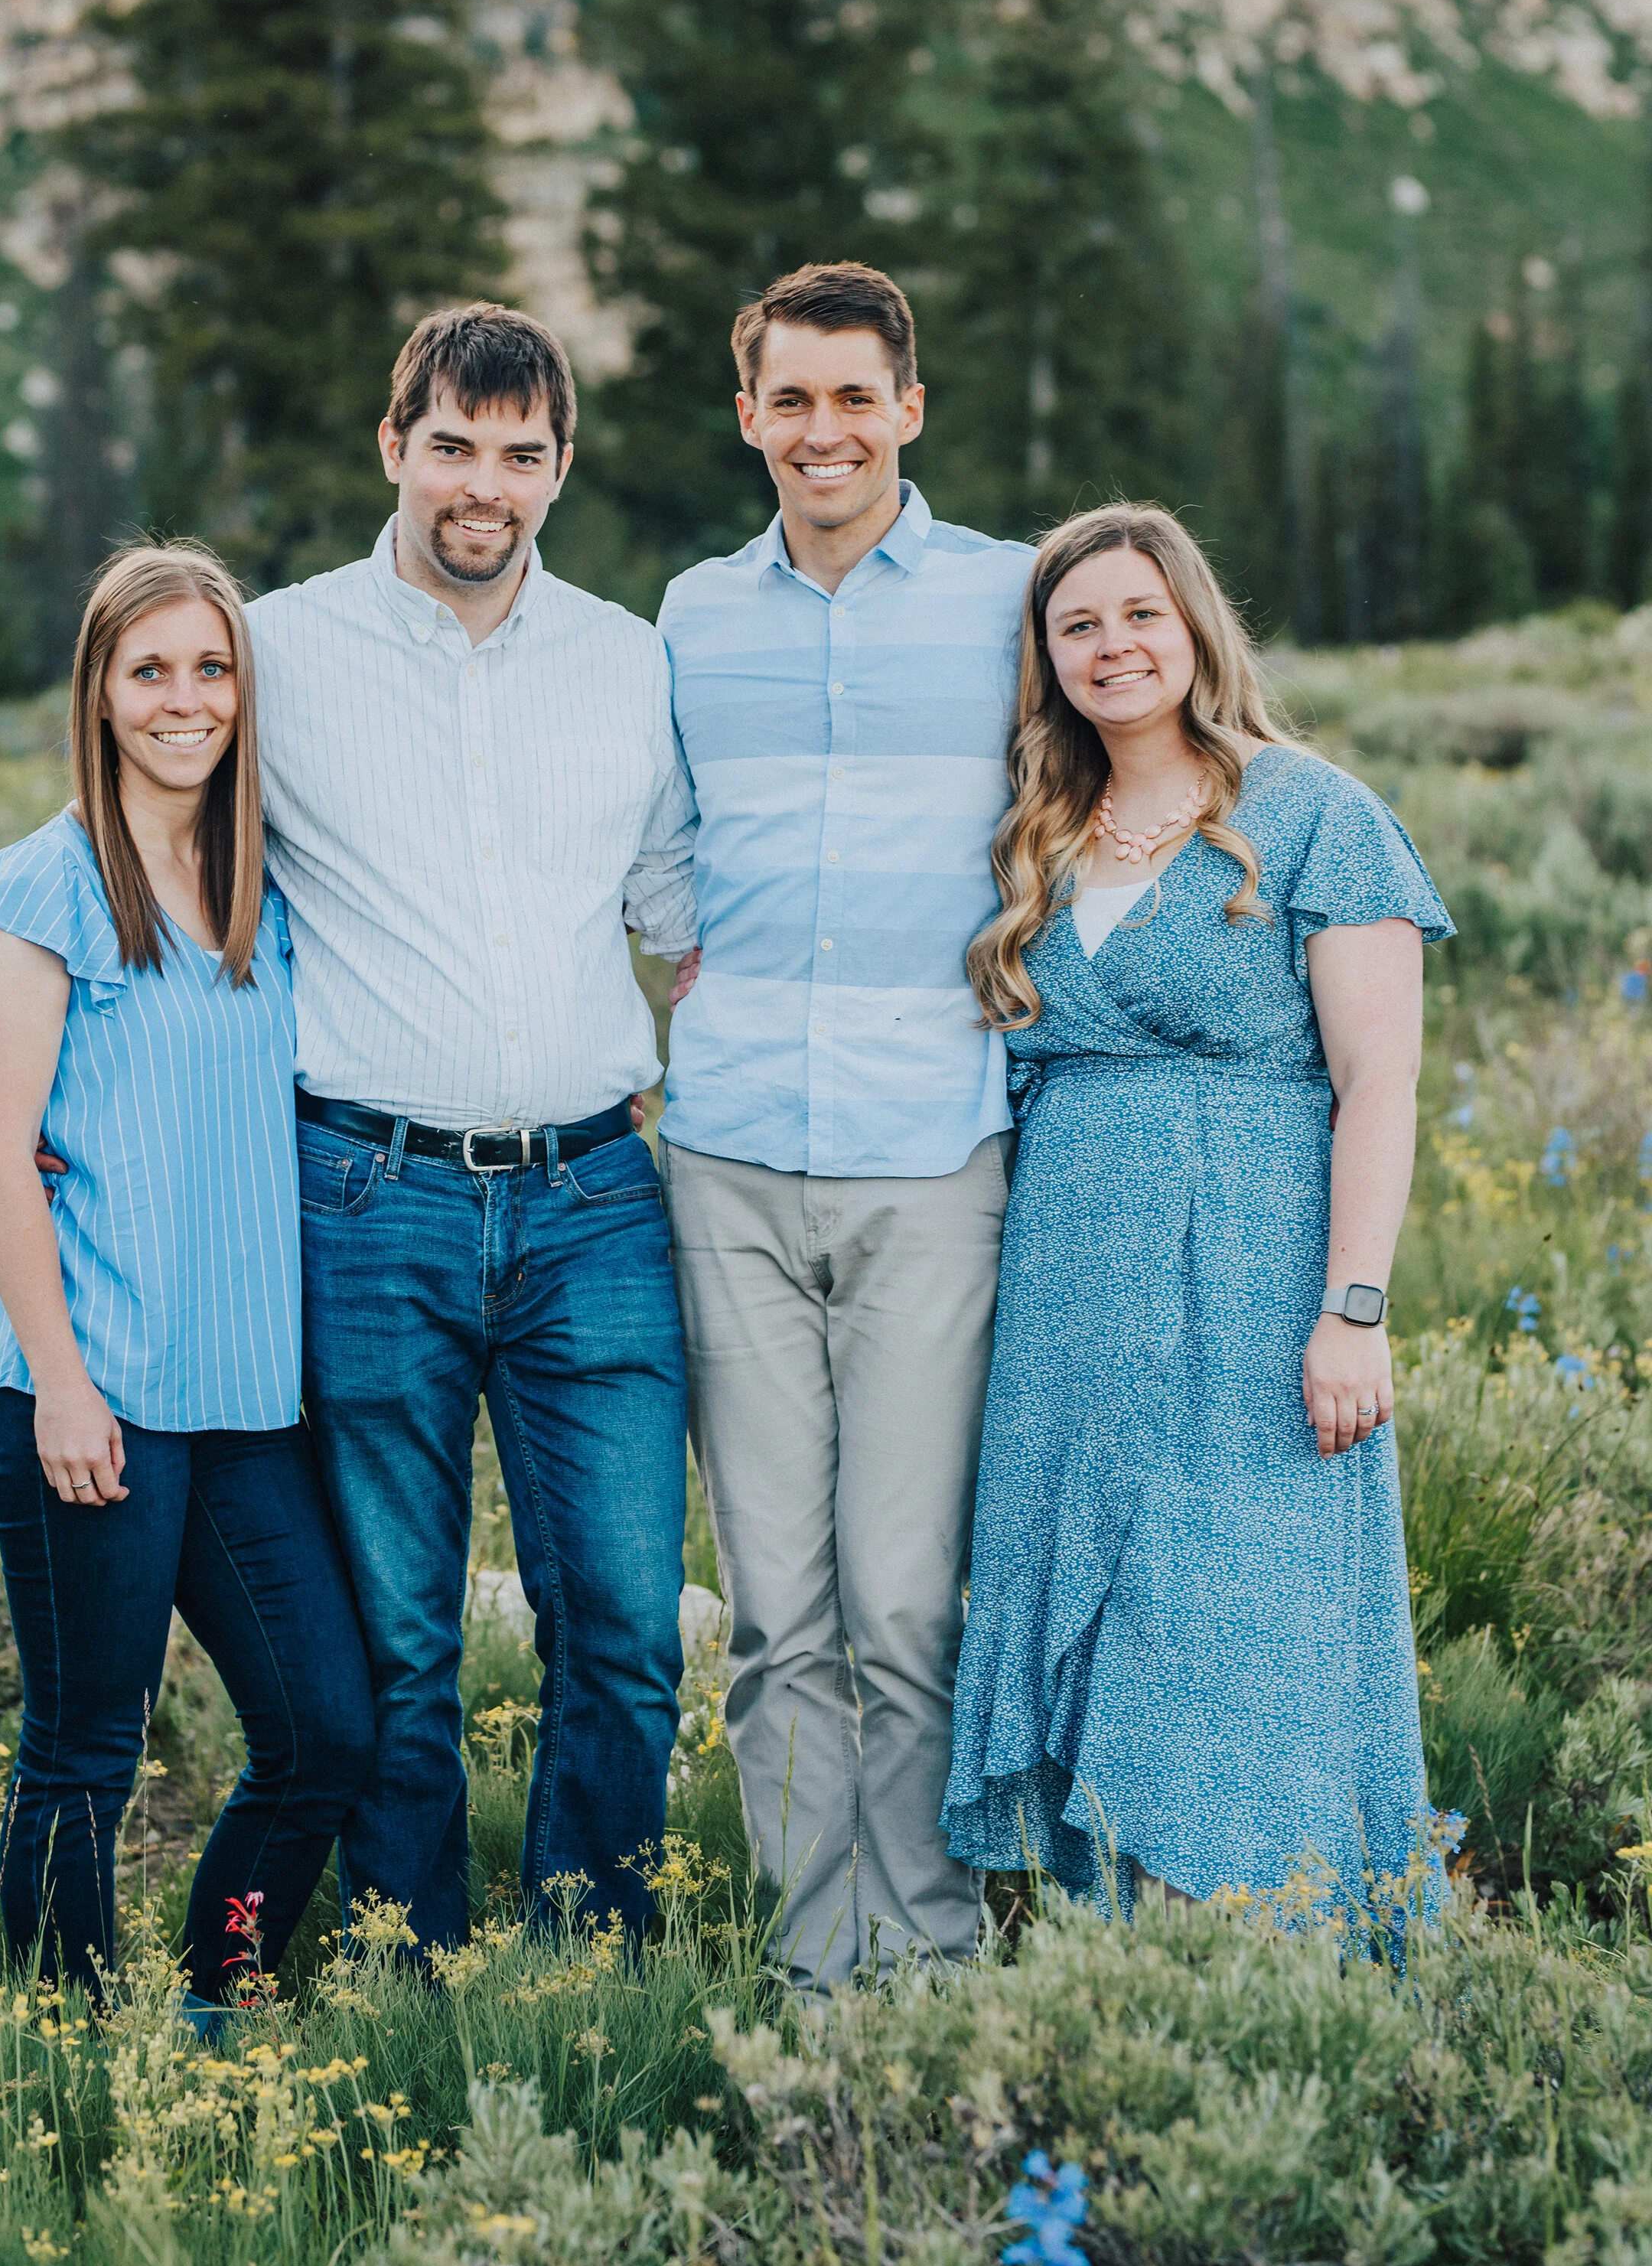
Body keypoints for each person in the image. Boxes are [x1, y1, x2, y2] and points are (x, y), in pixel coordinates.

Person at [244, 301, 696, 1958]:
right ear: (395, 447)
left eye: (520, 454)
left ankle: (592, 1962)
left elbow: (683, 915)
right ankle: (408, 1969)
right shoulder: (279, 650)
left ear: (562, 465)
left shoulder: (629, 659)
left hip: (596, 1196)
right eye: (453, 446)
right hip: (368, 1198)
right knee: (397, 1637)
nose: (482, 486)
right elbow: (152, 841)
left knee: (628, 1624)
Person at [940, 504, 1452, 1916]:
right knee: (1091, 1617)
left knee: (1240, 1614)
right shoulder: (1037, 834)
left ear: (1194, 626)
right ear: (1047, 657)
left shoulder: (1312, 813)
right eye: (1079, 624)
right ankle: (1111, 1968)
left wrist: (1354, 1307)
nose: (1114, 646)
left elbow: (1380, 1084)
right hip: (1065, 1299)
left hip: (1254, 1279)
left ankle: (1265, 1958)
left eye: (1140, 614)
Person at [657, 260, 1033, 1987]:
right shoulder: (689, 614)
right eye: (790, 400)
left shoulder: (1015, 599)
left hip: (932, 1151)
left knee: (898, 1600)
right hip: (726, 1152)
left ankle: (932, 1968)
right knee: (775, 1613)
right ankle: (823, 1977)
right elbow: (659, 859)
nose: (825, 432)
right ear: (749, 417)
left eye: (855, 398)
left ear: (911, 409)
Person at [0, 543, 375, 2023]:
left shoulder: (268, 886)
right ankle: (67, 2043)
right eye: (151, 671)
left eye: (211, 667)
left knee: (324, 1728)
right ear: (102, 691)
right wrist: (63, 1383)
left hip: (250, 1404)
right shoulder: (45, 885)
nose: (184, 700)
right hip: (94, 1398)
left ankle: (220, 1985)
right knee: (85, 1750)